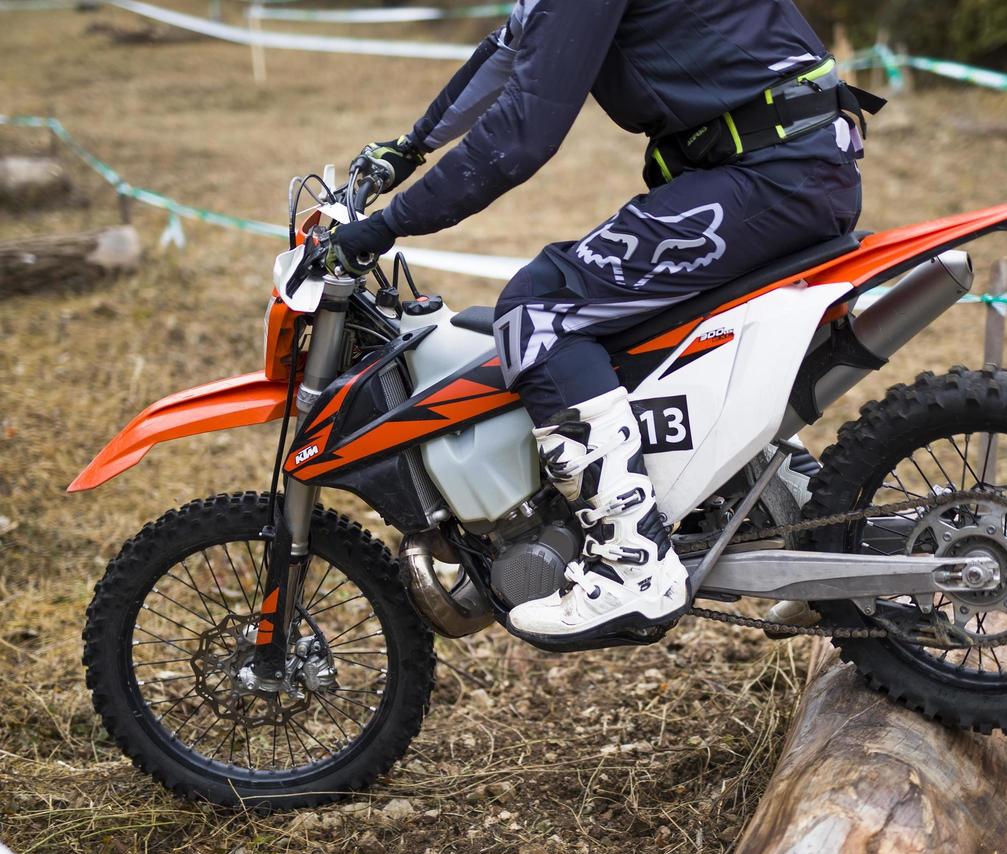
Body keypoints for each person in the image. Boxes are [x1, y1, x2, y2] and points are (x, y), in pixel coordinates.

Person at [331, 0, 877, 643]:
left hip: (771, 174)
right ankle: (810, 525)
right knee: (636, 333)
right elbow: (510, 51)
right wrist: (409, 147)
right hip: (785, 159)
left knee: (542, 311)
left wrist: (386, 226)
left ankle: (632, 567)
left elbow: (521, 134)